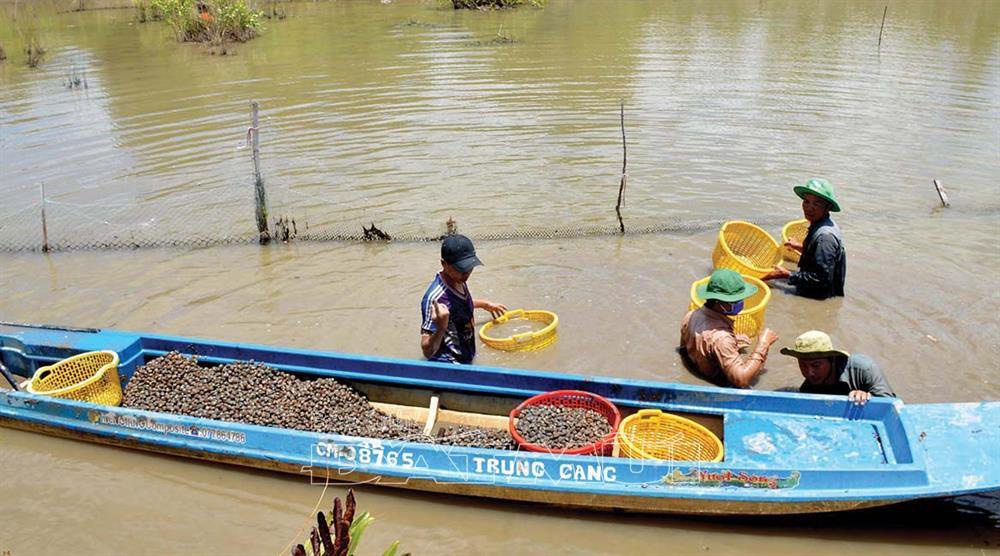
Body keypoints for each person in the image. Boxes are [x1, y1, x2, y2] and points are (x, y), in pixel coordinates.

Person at [679, 269, 779, 388]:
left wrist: (733, 342)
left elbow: (684, 350)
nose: (741, 303)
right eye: (736, 300)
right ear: (718, 302)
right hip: (721, 387)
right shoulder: (722, 339)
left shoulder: (690, 315)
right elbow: (741, 379)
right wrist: (763, 344)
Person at [420, 234, 506, 364]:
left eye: (469, 267)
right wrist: (441, 327)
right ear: (444, 264)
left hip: (465, 355)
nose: (466, 273)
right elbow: (427, 351)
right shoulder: (435, 299)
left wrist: (484, 304)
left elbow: (458, 305)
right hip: (450, 364)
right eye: (461, 268)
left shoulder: (459, 278)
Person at [762, 179, 846, 299]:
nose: (809, 208)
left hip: (818, 296)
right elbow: (819, 255)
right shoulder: (821, 223)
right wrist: (799, 246)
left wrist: (788, 275)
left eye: (816, 204)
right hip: (814, 287)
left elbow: (821, 279)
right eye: (806, 201)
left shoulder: (825, 237)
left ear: (828, 208)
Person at [781, 330, 895, 405]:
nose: (809, 373)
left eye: (816, 365)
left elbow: (890, 404)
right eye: (803, 365)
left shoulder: (864, 369)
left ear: (832, 359)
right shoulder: (808, 389)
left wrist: (868, 397)